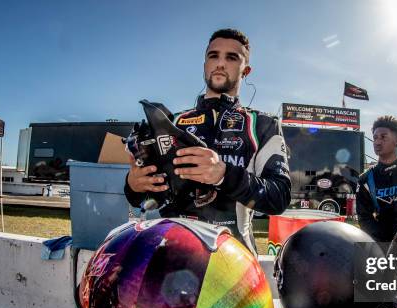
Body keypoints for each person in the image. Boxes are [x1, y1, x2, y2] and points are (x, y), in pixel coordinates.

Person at [124, 28, 291, 255]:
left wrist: (223, 174)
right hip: (172, 260)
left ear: (246, 71)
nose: (220, 63)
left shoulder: (263, 124)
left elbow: (278, 197)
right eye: (214, 56)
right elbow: (143, 197)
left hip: (235, 264)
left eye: (231, 58)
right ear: (204, 64)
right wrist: (134, 185)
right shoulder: (172, 122)